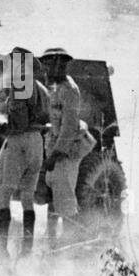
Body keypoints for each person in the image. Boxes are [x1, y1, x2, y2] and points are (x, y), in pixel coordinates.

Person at [0, 46, 50, 257]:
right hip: (36, 142)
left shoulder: (20, 85)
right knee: (27, 196)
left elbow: (19, 122)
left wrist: (1, 128)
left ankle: (1, 250)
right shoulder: (41, 88)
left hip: (19, 141)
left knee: (3, 193)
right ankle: (26, 249)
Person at [39, 47, 96, 246]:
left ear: (59, 64)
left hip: (67, 151)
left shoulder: (69, 90)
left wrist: (54, 156)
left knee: (65, 200)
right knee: (53, 196)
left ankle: (72, 245)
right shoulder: (56, 86)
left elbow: (69, 128)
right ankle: (52, 240)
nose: (46, 69)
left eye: (49, 64)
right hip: (55, 146)